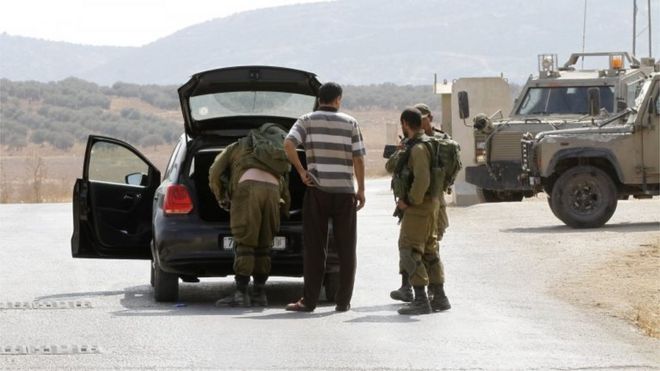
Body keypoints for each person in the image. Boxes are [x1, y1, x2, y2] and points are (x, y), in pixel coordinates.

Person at [283, 82, 366, 312]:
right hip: (344, 193)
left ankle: (309, 302)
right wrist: (361, 189)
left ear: (319, 99)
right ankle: (342, 302)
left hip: (317, 191)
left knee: (315, 247)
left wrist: (301, 171)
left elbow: (288, 143)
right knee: (346, 248)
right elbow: (358, 158)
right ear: (338, 99)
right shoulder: (350, 122)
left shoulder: (306, 120)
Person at [209, 123, 291, 307]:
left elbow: (215, 171)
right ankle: (260, 293)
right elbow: (285, 186)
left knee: (246, 242)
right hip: (273, 191)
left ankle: (241, 294)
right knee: (264, 244)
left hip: (247, 189)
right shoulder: (275, 153)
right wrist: (285, 211)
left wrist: (221, 195)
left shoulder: (237, 146)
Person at [387, 103, 452, 312]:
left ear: (405, 124)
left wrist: (410, 201)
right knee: (430, 251)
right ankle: (440, 297)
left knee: (409, 249)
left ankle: (421, 299)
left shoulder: (418, 148)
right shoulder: (428, 143)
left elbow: (422, 179)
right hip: (431, 204)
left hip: (420, 206)